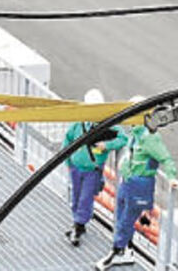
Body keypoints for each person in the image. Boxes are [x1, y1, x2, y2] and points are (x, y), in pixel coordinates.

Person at [96, 103, 177, 269]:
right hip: (128, 181)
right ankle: (126, 250)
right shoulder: (136, 133)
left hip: (139, 185)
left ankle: (117, 251)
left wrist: (172, 177)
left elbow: (166, 158)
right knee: (120, 215)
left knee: (126, 220)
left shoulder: (150, 138)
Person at [63, 88, 126, 247]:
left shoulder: (108, 125)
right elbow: (68, 138)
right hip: (76, 167)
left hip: (92, 170)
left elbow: (123, 138)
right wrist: (68, 161)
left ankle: (79, 225)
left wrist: (107, 145)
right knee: (77, 197)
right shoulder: (79, 123)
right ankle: (78, 223)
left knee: (85, 198)